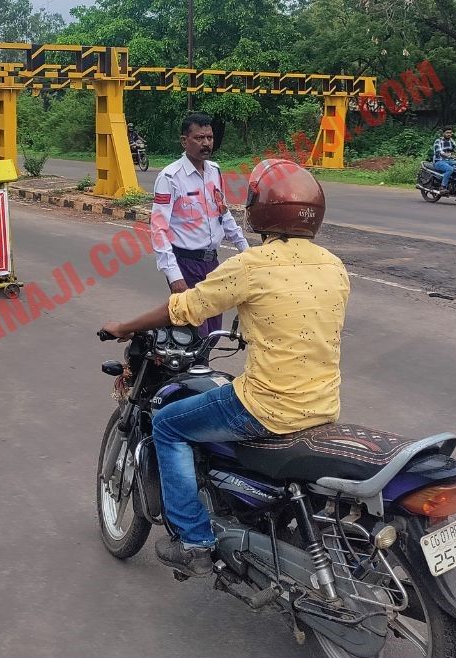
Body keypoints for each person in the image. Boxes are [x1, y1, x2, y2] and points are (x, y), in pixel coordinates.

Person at [101, 159, 350, 577]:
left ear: (260, 209)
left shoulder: (251, 264)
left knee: (167, 424)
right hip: (324, 406)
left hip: (267, 406)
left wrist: (123, 327)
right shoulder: (334, 266)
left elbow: (184, 308)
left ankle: (195, 540)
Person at [150, 113, 249, 339]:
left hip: (212, 263)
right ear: (184, 141)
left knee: (214, 331)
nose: (206, 143)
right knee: (196, 333)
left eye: (210, 137)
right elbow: (158, 229)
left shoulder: (214, 170)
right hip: (186, 264)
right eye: (199, 138)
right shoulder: (170, 177)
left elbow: (223, 213)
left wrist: (246, 250)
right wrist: (174, 275)